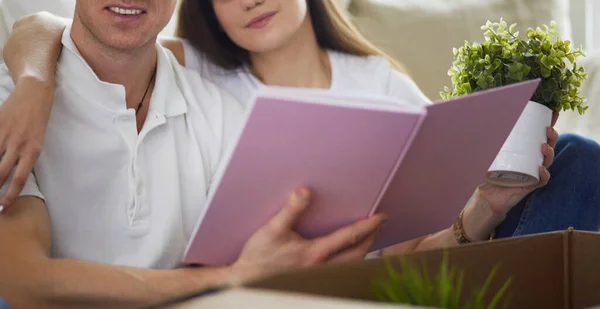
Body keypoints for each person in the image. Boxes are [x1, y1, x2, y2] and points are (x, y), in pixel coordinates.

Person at [0, 0, 598, 288]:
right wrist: (32, 81)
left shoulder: (381, 83)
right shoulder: (200, 72)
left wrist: (484, 205)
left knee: (574, 157)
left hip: (389, 270)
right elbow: (56, 29)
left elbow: (418, 245)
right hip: (294, 279)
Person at [0, 1, 389, 308]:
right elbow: (26, 282)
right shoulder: (12, 104)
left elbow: (274, 254)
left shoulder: (221, 112)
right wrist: (230, 277)